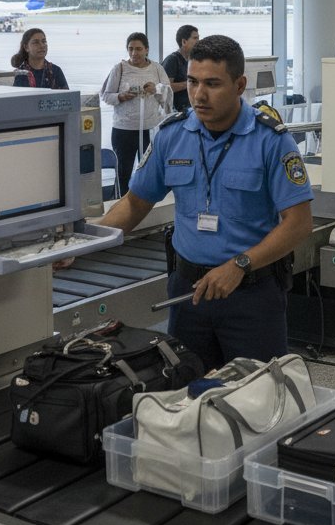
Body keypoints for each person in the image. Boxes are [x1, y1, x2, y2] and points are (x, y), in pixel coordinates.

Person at [97, 35, 313, 369]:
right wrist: (86, 242)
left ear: (239, 84)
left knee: (259, 398)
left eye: (212, 84)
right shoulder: (173, 134)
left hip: (251, 294)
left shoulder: (271, 140)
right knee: (189, 397)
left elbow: (298, 223)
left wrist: (239, 265)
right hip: (189, 293)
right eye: (194, 82)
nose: (199, 94)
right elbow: (136, 202)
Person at [101, 33, 174, 197]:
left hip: (150, 128)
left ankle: (148, 204)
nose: (134, 53)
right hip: (124, 129)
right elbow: (106, 95)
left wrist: (156, 89)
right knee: (123, 171)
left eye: (139, 49)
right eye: (131, 49)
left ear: (147, 50)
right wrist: (120, 97)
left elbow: (168, 95)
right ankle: (120, 203)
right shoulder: (119, 68)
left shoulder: (157, 68)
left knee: (150, 170)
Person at [162, 24, 199, 113]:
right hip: (177, 112)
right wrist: (190, 83)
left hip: (191, 109)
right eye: (195, 38)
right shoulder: (172, 60)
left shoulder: (193, 59)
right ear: (184, 42)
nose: (199, 41)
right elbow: (164, 87)